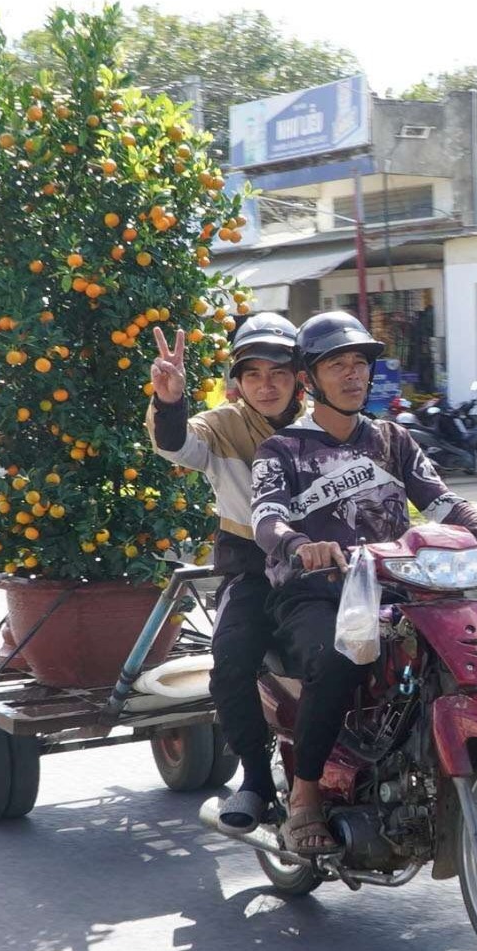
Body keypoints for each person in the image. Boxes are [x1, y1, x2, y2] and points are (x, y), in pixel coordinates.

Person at [250, 312, 477, 855]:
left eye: (360, 363)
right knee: (335, 659)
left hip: (394, 585)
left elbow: (443, 502)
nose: (354, 374)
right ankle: (306, 794)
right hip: (315, 590)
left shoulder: (392, 438)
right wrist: (298, 545)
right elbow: (266, 519)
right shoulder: (282, 450)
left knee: (446, 649)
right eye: (338, 365)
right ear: (309, 379)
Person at [146, 312, 306, 830]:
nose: (267, 385)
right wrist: (170, 400)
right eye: (253, 374)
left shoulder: (325, 423)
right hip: (252, 570)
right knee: (231, 661)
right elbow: (176, 444)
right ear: (236, 382)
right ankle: (257, 783)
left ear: (300, 377)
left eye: (279, 372)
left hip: (327, 570)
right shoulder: (223, 425)